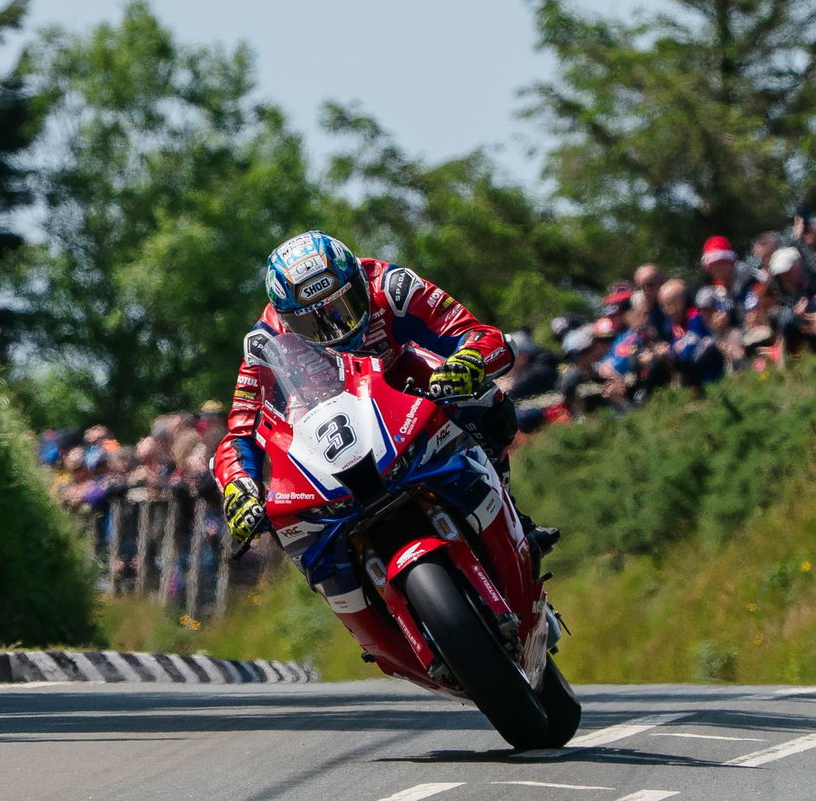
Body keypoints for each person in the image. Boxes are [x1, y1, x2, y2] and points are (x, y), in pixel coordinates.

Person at [211, 230, 559, 558]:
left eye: (344, 306)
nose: (337, 327)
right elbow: (240, 433)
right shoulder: (265, 343)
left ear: (360, 282)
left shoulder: (394, 287)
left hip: (403, 388)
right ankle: (336, 573)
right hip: (326, 427)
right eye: (313, 323)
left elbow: (481, 336)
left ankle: (514, 518)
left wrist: (468, 362)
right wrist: (237, 486)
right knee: (284, 508)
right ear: (287, 321)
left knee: (486, 402)